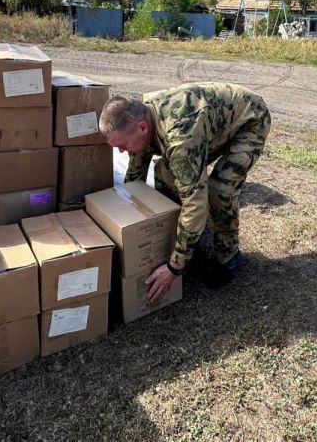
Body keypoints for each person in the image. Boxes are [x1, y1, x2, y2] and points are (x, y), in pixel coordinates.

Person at [99, 82, 271, 302]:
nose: (122, 152)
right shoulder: (143, 117)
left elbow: (195, 204)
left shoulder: (180, 140)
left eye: (122, 145)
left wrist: (174, 267)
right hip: (210, 122)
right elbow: (135, 173)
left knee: (219, 190)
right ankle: (181, 240)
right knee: (164, 172)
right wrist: (123, 219)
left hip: (249, 120)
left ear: (143, 128)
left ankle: (229, 257)